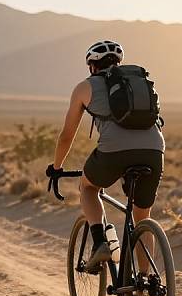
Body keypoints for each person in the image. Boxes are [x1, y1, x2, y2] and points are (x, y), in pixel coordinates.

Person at [46, 40, 165, 272]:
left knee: (88, 188)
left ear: (92, 65)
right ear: (118, 63)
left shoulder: (84, 87)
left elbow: (66, 136)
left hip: (113, 151)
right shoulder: (139, 82)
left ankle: (100, 242)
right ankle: (144, 283)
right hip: (154, 149)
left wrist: (57, 167)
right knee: (142, 217)